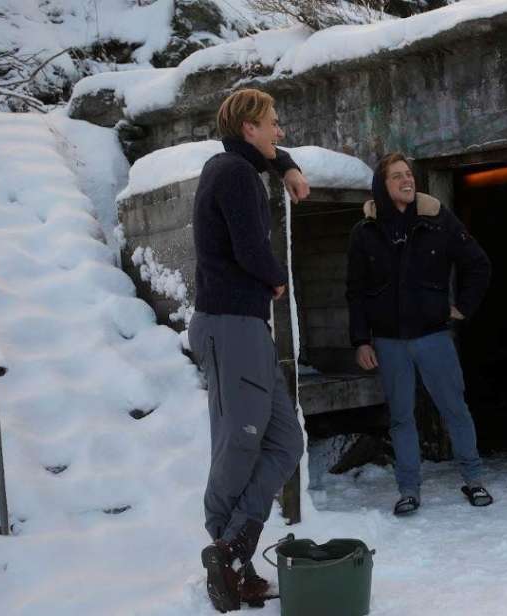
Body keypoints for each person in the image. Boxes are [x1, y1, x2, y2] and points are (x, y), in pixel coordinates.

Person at [187, 88, 311, 612]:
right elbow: (248, 247)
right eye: (273, 123)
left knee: (285, 442)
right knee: (239, 441)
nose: (279, 131)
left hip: (245, 324)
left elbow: (266, 152)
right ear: (248, 129)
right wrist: (276, 277)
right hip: (230, 323)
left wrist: (286, 165)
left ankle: (232, 551)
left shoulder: (236, 164)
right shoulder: (234, 174)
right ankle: (229, 554)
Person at [346, 152, 493, 516]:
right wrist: (361, 339)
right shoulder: (365, 232)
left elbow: (478, 263)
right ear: (383, 185)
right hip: (388, 341)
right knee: (401, 417)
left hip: (433, 336)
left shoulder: (438, 220)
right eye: (397, 176)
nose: (407, 181)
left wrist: (463, 307)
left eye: (409, 175)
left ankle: (474, 480)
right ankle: (408, 489)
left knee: (454, 408)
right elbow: (355, 290)